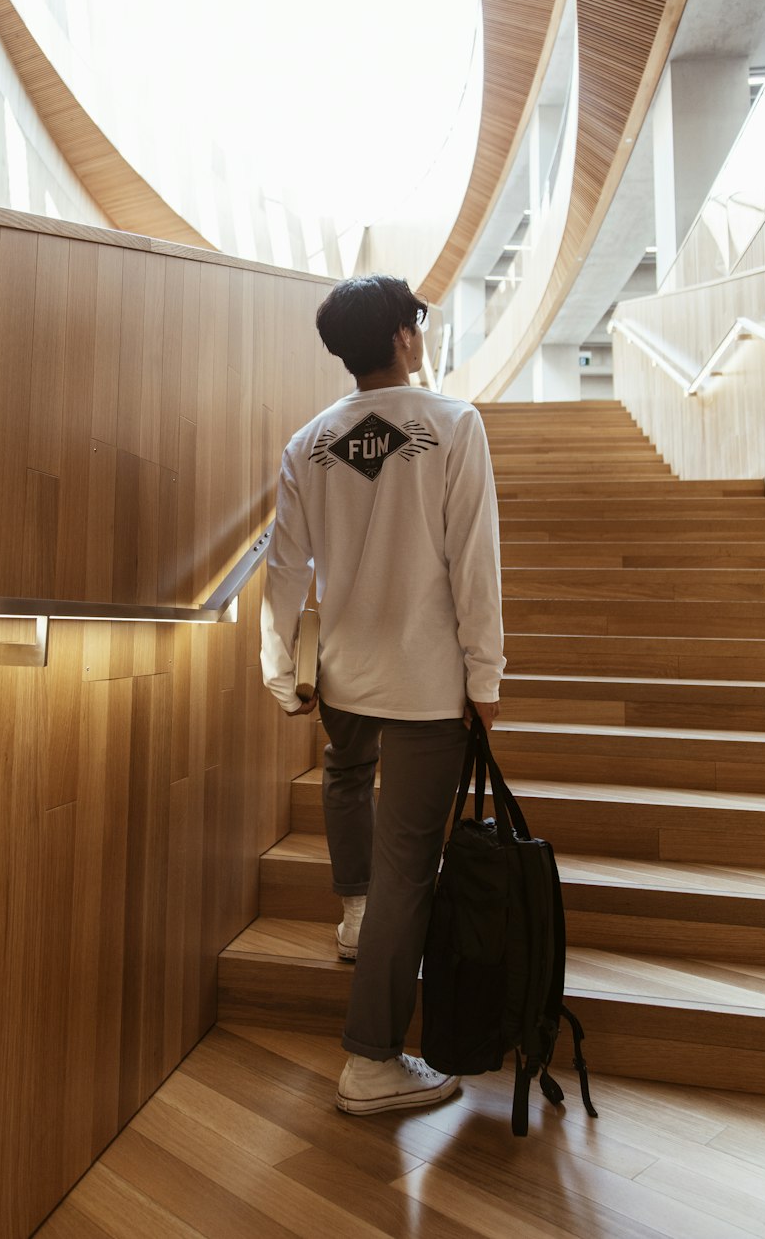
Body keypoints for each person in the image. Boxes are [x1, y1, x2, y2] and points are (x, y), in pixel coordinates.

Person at [260, 274, 505, 1116]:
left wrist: (275, 667)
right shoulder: (453, 425)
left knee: (341, 771)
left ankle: (356, 914)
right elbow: (474, 561)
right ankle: (371, 1059)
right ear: (406, 336)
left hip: (343, 675)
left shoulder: (308, 443)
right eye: (421, 322)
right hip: (425, 685)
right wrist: (486, 675)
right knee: (413, 867)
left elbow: (282, 569)